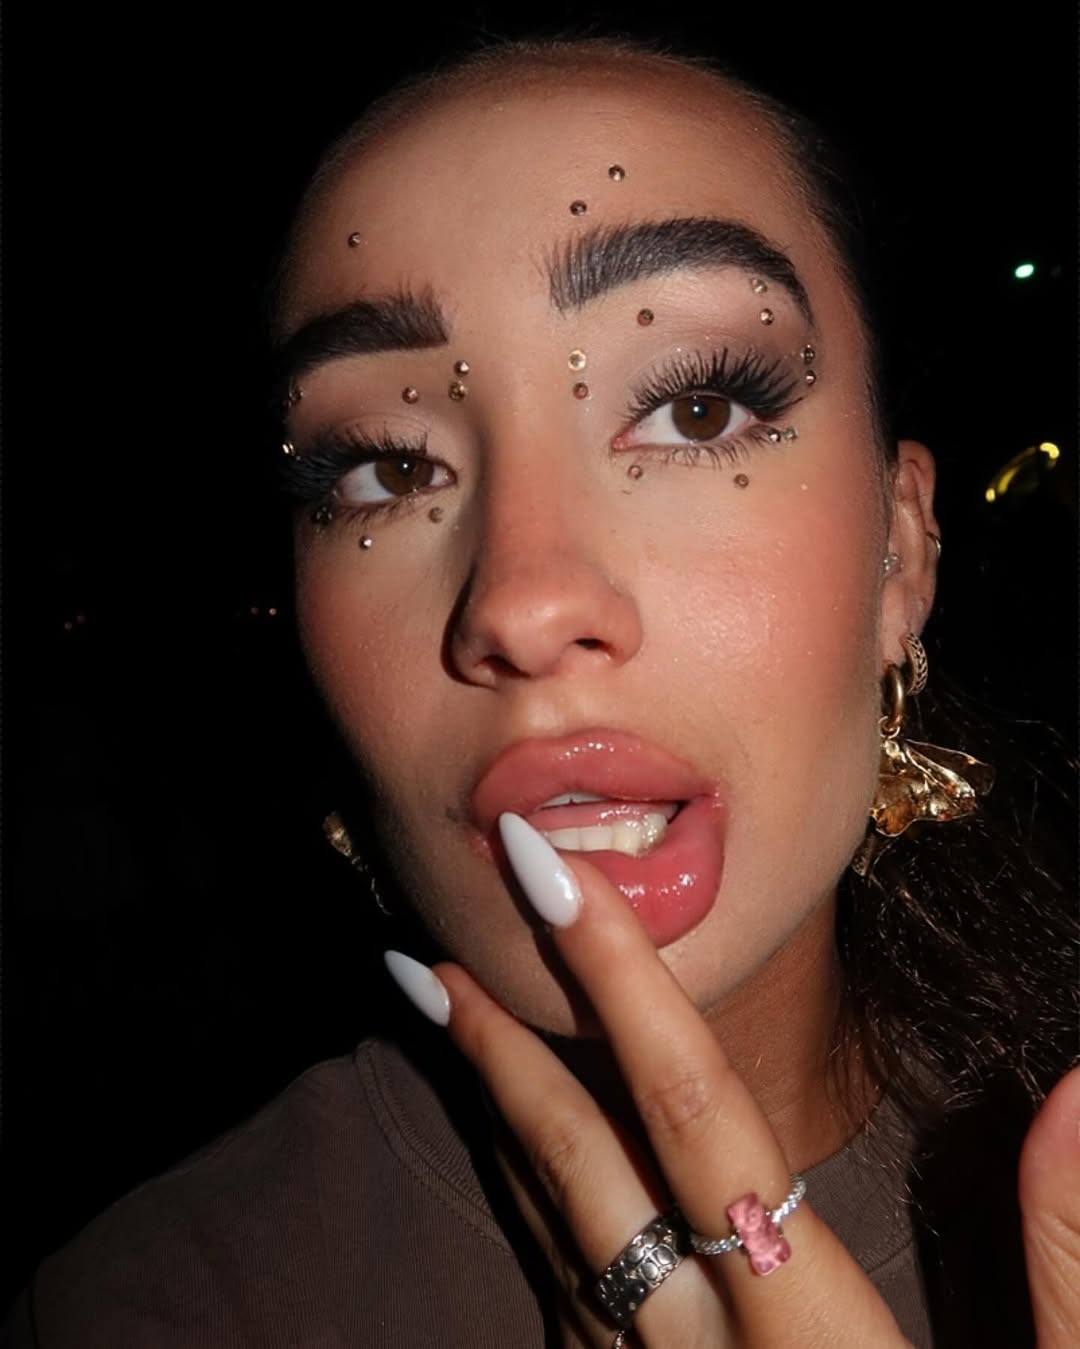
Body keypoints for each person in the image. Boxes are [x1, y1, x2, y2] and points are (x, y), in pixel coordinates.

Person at [6, 36, 1077, 1349]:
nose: (519, 602)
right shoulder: (148, 1314)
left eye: (694, 411)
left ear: (900, 551)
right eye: (390, 468)